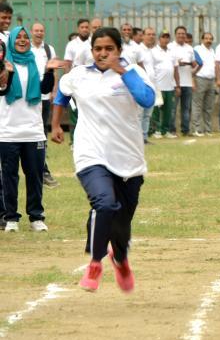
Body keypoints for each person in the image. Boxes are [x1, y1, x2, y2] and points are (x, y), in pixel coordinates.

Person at [50, 26, 156, 292]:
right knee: (104, 204)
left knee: (121, 224)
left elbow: (146, 99)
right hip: (90, 154)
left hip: (128, 158)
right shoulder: (79, 76)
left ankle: (120, 259)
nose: (103, 53)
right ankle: (95, 264)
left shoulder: (134, 73)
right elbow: (62, 93)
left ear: (119, 50)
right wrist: (55, 125)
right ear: (91, 51)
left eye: (109, 48)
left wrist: (122, 71)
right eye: (98, 49)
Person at [0, 27, 59, 232]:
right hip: (8, 132)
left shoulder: (34, 62)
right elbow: (3, 90)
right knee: (9, 177)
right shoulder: (3, 63)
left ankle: (36, 217)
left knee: (35, 175)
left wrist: (49, 71)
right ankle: (11, 218)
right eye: (19, 37)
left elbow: (44, 90)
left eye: (26, 37)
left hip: (34, 131)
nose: (23, 40)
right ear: (12, 41)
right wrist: (7, 72)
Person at [29, 23, 59, 187]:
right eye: (36, 31)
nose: (39, 33)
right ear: (31, 32)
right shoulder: (27, 48)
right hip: (30, 98)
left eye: (41, 30)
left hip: (45, 97)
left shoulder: (49, 49)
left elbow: (54, 71)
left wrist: (54, 90)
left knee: (42, 133)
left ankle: (43, 171)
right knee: (31, 133)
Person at [170, 26, 196, 137]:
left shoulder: (189, 48)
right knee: (173, 108)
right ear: (175, 34)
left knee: (186, 108)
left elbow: (194, 62)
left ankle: (185, 130)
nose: (181, 35)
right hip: (175, 83)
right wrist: (177, 63)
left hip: (188, 82)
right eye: (179, 33)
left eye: (183, 33)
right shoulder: (170, 47)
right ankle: (171, 129)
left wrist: (193, 64)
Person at [150, 32, 177, 139]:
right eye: (163, 37)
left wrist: (177, 85)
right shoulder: (153, 51)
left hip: (170, 86)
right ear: (159, 39)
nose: (165, 39)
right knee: (156, 110)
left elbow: (175, 69)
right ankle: (156, 130)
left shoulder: (172, 51)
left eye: (167, 37)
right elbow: (151, 68)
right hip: (158, 85)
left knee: (168, 110)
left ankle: (165, 130)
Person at [191, 31, 217, 136]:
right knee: (197, 105)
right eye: (206, 38)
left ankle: (208, 129)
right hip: (200, 79)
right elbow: (194, 64)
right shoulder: (197, 49)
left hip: (211, 81)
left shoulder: (212, 51)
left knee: (209, 106)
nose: (208, 40)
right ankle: (197, 129)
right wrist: (193, 79)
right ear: (202, 40)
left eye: (210, 39)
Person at [138, 27, 159, 142]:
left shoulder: (153, 50)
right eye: (149, 34)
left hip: (152, 86)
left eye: (153, 34)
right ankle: (138, 138)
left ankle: (144, 137)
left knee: (147, 114)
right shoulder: (138, 50)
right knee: (139, 114)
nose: (151, 36)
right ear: (143, 36)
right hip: (142, 86)